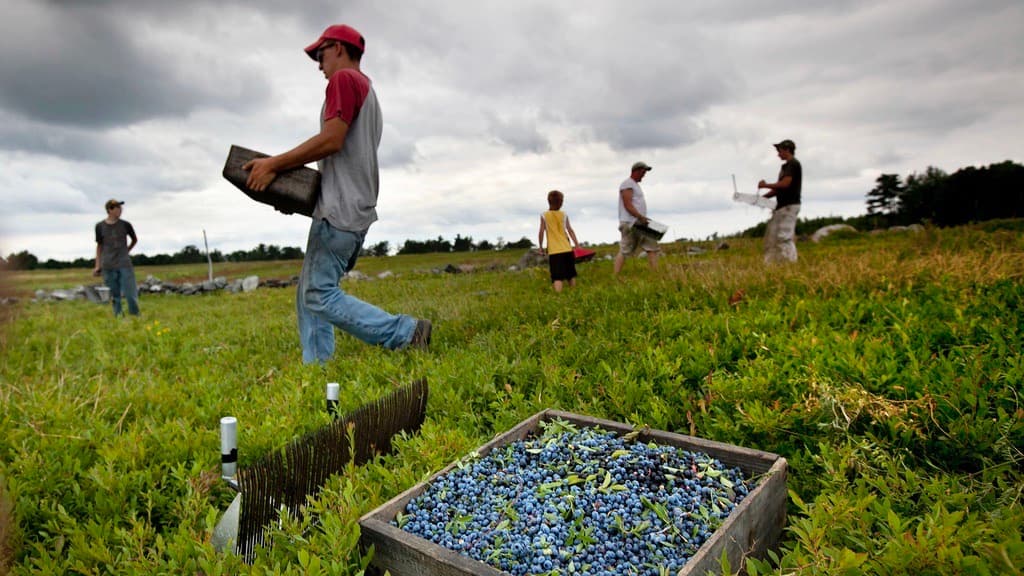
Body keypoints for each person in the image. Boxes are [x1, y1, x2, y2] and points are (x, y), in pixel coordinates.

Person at [242, 24, 430, 364]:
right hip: (350, 206)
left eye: (321, 53)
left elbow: (332, 140)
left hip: (340, 210)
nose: (318, 64)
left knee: (318, 293)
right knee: (309, 292)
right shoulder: (368, 91)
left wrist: (273, 164)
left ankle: (404, 333)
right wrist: (291, 194)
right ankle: (318, 364)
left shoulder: (343, 80)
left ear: (339, 48)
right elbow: (343, 160)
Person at [93, 199, 140, 316]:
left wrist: (127, 250)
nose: (120, 210)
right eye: (118, 208)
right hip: (108, 265)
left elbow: (134, 239)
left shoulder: (125, 225)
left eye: (121, 208)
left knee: (130, 294)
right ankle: (118, 316)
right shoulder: (99, 226)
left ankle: (135, 316)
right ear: (110, 210)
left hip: (124, 264)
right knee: (114, 295)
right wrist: (97, 265)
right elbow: (99, 246)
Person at [758, 139, 802, 263]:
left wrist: (766, 185)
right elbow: (779, 189)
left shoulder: (793, 164)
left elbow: (785, 184)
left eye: (780, 151)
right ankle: (775, 263)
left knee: (784, 237)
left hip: (789, 206)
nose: (778, 154)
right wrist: (763, 198)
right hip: (782, 206)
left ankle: (791, 262)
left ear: (787, 150)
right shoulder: (786, 167)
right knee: (773, 236)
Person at [613, 161, 661, 276]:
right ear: (636, 171)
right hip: (631, 222)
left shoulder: (635, 185)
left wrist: (643, 218)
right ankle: (615, 275)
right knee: (625, 250)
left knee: (653, 246)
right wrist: (640, 216)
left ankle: (656, 274)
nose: (644, 175)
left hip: (641, 221)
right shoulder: (627, 184)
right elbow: (628, 204)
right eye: (643, 172)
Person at [537, 190, 581, 292]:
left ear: (548, 201)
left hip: (554, 251)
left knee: (557, 277)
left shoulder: (544, 215)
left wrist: (540, 247)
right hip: (567, 248)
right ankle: (574, 293)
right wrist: (577, 244)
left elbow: (541, 231)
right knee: (570, 274)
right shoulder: (564, 214)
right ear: (561, 202)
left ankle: (558, 296)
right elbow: (570, 230)